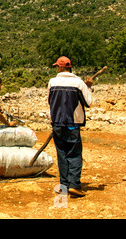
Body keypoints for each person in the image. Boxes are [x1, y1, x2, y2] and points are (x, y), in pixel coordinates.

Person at [48, 56, 93, 197]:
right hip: (72, 124)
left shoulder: (52, 82)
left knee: (61, 153)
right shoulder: (78, 83)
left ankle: (64, 185)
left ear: (60, 68)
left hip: (57, 123)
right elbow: (89, 102)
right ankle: (74, 185)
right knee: (74, 153)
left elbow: (50, 101)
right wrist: (89, 87)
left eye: (56, 66)